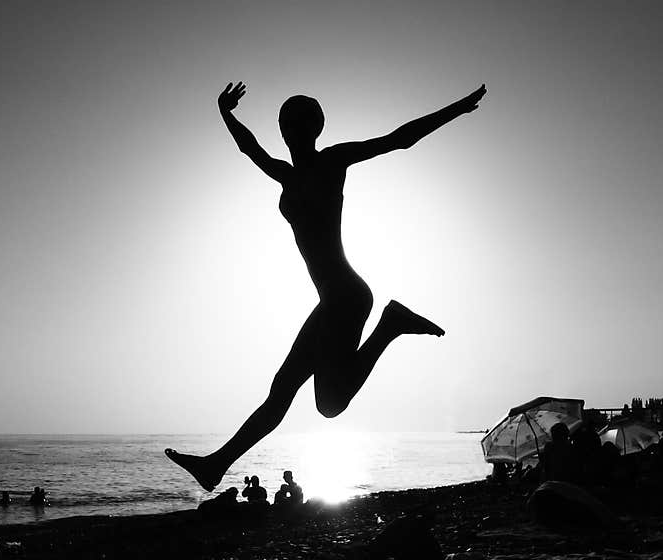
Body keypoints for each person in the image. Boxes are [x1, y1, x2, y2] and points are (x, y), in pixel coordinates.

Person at [166, 81, 487, 491]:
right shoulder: (285, 174)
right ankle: (216, 465)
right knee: (281, 391)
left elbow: (399, 140)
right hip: (331, 300)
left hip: (348, 297)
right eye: (284, 124)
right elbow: (250, 148)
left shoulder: (332, 162)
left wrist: (456, 109)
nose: (288, 131)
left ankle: (390, 325)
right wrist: (227, 115)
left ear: (314, 128)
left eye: (296, 123)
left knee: (329, 406)